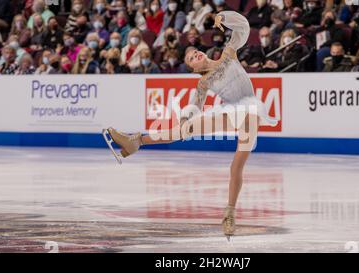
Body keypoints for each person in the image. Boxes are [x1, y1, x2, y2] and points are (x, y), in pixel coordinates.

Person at [102, 11, 278, 239]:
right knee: (183, 130)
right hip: (231, 110)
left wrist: (223, 17)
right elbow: (195, 104)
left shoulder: (228, 55)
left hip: (251, 111)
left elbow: (243, 28)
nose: (195, 54)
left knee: (236, 167)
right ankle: (136, 141)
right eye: (191, 59)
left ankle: (230, 213)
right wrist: (185, 120)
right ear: (194, 70)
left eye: (195, 52)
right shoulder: (203, 83)